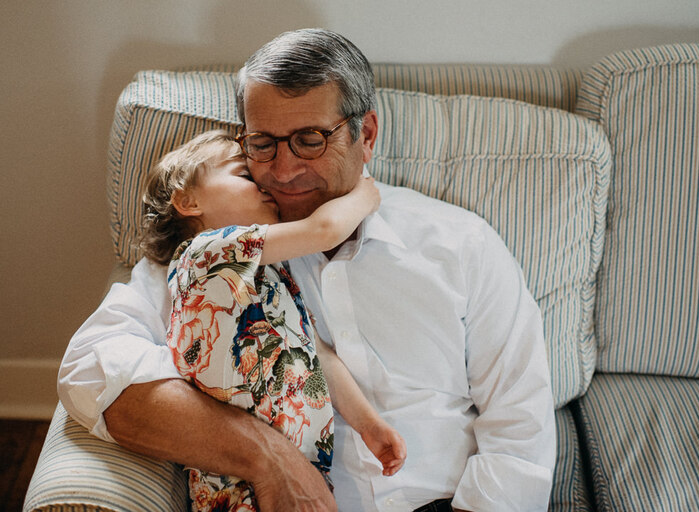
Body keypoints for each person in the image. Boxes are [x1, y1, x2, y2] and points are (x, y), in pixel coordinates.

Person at [59, 28, 556, 512]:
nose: (283, 170)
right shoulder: (206, 258)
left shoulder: (463, 243)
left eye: (310, 139)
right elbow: (88, 372)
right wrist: (266, 457)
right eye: (262, 144)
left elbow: (519, 426)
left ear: (366, 135)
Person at [139, 130, 406, 511]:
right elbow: (323, 230)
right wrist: (363, 195)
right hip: (236, 488)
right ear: (188, 201)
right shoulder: (204, 254)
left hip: (303, 475)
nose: (264, 185)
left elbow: (317, 356)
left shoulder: (271, 273)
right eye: (244, 176)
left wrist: (369, 425)